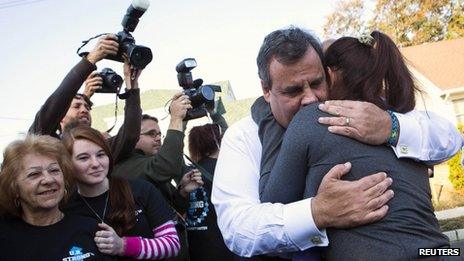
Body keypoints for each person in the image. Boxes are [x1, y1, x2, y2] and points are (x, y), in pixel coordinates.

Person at [211, 26, 462, 259]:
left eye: (317, 83)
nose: (309, 99)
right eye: (292, 91)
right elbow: (239, 230)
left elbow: (450, 138)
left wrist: (392, 128)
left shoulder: (370, 116)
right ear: (266, 90)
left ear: (329, 75)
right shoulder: (242, 137)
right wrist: (318, 212)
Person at [61, 125, 180, 260]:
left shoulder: (142, 190)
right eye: (83, 158)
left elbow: (172, 244)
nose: (95, 163)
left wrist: (123, 245)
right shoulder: (66, 209)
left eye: (100, 154)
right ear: (68, 164)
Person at [29, 34, 142, 163]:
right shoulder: (49, 146)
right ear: (60, 117)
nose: (84, 110)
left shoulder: (100, 147)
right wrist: (90, 60)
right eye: (77, 106)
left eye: (87, 107)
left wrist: (132, 84)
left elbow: (129, 136)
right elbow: (56, 103)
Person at [0, 135, 114, 260]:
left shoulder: (93, 230)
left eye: (54, 170)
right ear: (13, 187)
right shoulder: (5, 236)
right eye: (34, 174)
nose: (48, 180)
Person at [186, 123, 236, 261]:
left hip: (197, 246)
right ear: (219, 141)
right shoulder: (226, 168)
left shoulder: (188, 173)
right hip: (225, 245)